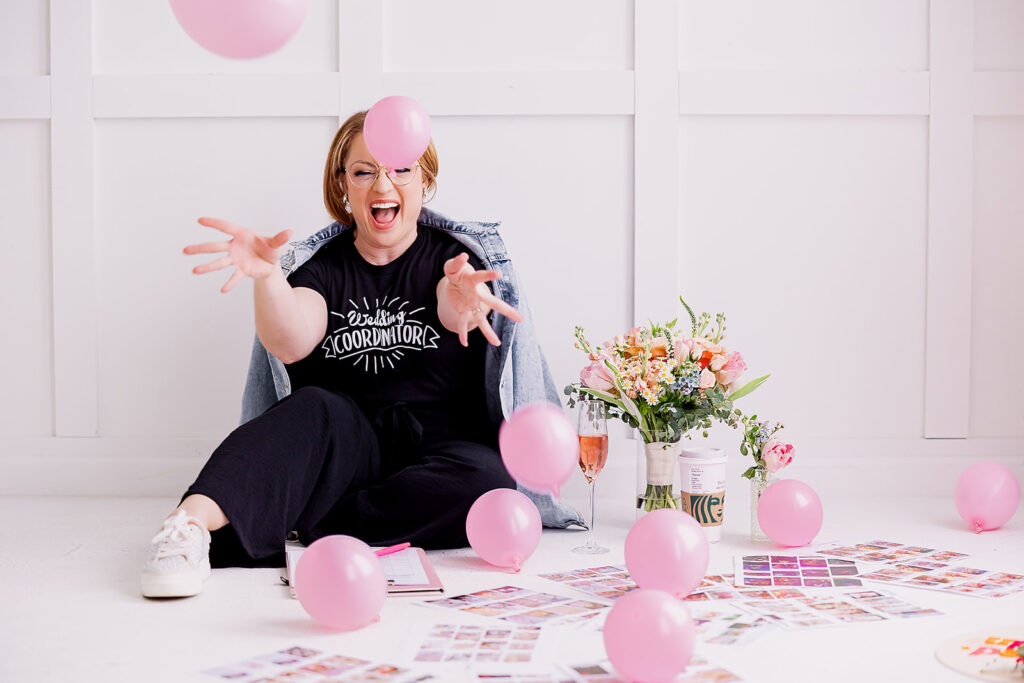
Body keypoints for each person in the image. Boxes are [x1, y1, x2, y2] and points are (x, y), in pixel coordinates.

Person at [141, 110, 583, 598]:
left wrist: (460, 301)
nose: (383, 184)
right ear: (343, 184)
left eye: (401, 170)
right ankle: (187, 529)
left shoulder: (455, 262)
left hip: (439, 452)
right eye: (364, 171)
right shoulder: (321, 268)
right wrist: (268, 279)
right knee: (314, 406)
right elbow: (290, 338)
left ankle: (292, 518)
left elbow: (452, 303)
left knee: (489, 480)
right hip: (342, 449)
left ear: (424, 181)